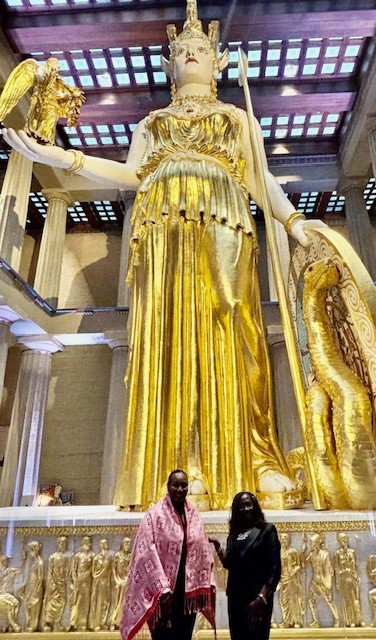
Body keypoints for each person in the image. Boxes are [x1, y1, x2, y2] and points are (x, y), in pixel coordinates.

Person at [1, 0, 325, 510]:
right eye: (183, 50)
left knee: (236, 321)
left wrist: (293, 220)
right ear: (169, 64)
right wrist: (66, 157)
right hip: (163, 230)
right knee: (172, 335)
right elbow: (133, 175)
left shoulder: (234, 117)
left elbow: (260, 178)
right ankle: (184, 460)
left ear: (216, 62)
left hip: (225, 220)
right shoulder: (152, 122)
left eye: (200, 48)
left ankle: (257, 457)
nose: (192, 54)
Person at [120, 469, 215, 640]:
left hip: (187, 591)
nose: (180, 489)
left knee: (184, 635)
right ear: (168, 487)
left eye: (184, 485)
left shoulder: (193, 514)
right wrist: (161, 587)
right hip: (163, 593)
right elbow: (146, 551)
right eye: (175, 485)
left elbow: (201, 547)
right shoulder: (154, 515)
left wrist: (206, 579)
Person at [210, 491, 281, 640]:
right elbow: (231, 564)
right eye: (241, 506)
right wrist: (217, 547)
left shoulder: (267, 531)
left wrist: (261, 599)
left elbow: (274, 570)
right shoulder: (234, 534)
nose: (245, 509)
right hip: (236, 598)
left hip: (257, 599)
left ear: (254, 506)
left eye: (248, 504)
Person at [305, 533, 339, 628]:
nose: (312, 545)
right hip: (315, 582)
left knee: (329, 601)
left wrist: (329, 582)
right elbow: (304, 564)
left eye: (313, 543)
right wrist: (303, 551)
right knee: (311, 600)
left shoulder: (325, 554)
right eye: (311, 543)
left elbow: (329, 569)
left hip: (323, 582)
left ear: (317, 543)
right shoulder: (311, 554)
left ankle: (337, 619)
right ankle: (316, 621)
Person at [333, 533, 363, 627]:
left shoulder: (352, 552)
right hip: (344, 579)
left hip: (353, 578)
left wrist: (358, 576)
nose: (344, 540)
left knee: (356, 599)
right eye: (342, 539)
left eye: (345, 538)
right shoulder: (337, 553)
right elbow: (336, 569)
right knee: (348, 601)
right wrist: (337, 581)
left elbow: (356, 565)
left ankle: (359, 619)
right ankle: (350, 621)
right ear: (338, 540)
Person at [42, 536, 71, 632]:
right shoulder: (52, 557)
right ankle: (48, 621)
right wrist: (52, 583)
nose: (63, 546)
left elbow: (67, 571)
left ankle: (57, 622)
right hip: (53, 584)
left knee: (62, 602)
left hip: (62, 583)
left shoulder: (66, 558)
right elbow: (50, 571)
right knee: (51, 602)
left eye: (65, 544)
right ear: (58, 545)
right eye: (62, 544)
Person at [278, 533, 304, 628]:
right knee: (283, 600)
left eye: (285, 538)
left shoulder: (293, 551)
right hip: (283, 578)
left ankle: (296, 621)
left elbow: (298, 565)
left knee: (293, 600)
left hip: (292, 579)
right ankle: (287, 620)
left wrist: (293, 571)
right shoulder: (280, 552)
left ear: (288, 540)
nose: (283, 540)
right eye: (282, 539)